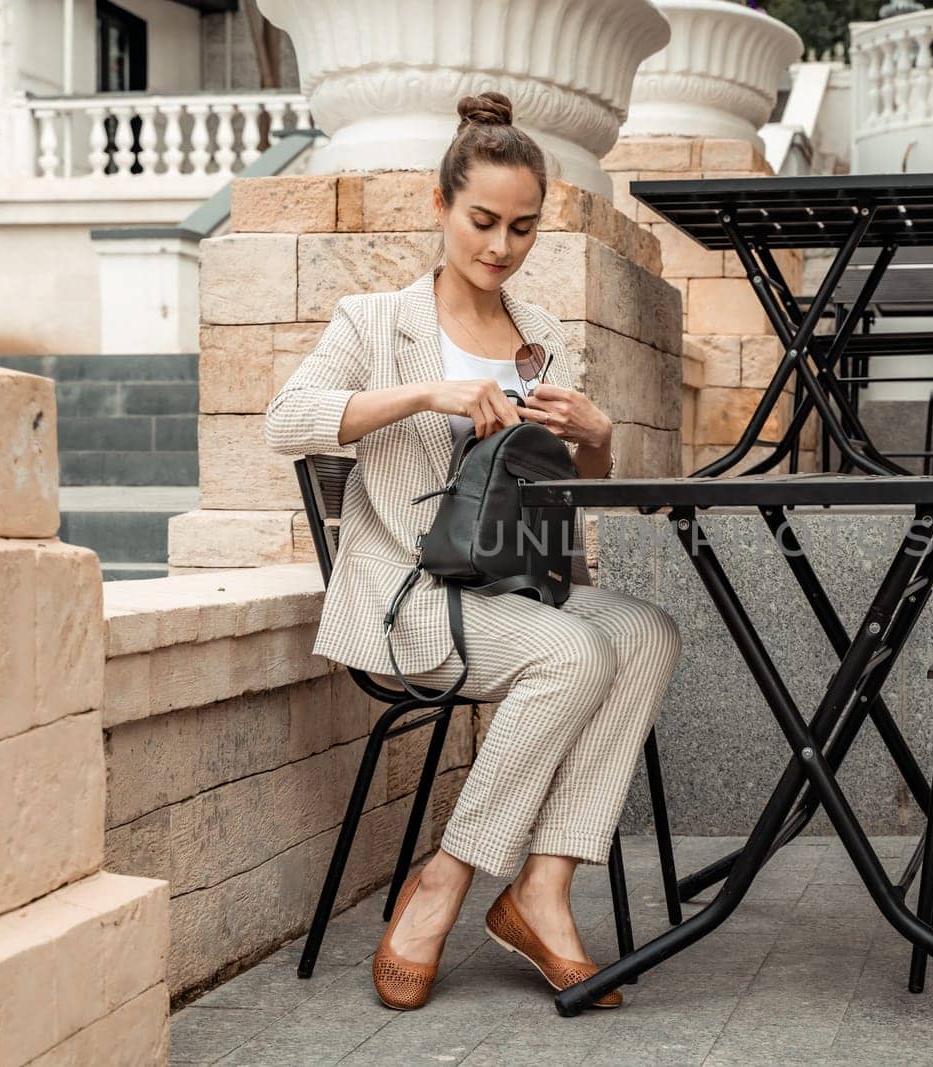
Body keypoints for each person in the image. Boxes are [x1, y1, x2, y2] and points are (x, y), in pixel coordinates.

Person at [264, 91, 682, 1012]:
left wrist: (599, 434)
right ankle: (445, 885)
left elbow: (579, 484)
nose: (500, 246)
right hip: (413, 592)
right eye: (484, 221)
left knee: (650, 633)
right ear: (442, 205)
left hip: (518, 582)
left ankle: (542, 886)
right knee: (573, 654)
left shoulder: (542, 339)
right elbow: (285, 421)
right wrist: (426, 394)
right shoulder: (374, 322)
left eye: (523, 229)